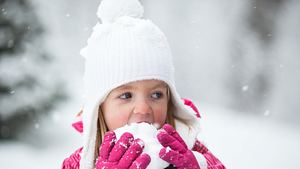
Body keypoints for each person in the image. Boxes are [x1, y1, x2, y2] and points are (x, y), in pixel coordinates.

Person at [62, 0, 226, 168]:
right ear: (99, 107)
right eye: (126, 95)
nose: (143, 109)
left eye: (156, 95)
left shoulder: (190, 151)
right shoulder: (80, 163)